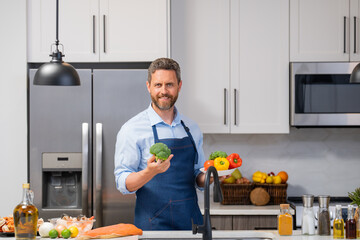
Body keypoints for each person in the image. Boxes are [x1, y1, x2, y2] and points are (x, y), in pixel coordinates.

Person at [114, 58, 208, 230]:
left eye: (169, 85)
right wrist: (149, 172)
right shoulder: (132, 129)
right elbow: (123, 182)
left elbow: (197, 176)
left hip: (192, 225)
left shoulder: (192, 128)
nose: (164, 91)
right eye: (158, 85)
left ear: (179, 86)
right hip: (153, 226)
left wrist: (211, 176)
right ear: (148, 86)